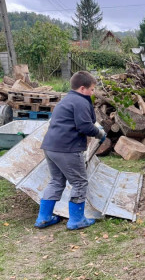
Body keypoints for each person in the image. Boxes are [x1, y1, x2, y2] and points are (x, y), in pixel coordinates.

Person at [35, 71, 105, 230]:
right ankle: (76, 220)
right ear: (82, 88)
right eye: (92, 89)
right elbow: (85, 126)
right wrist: (99, 133)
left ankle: (44, 218)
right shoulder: (80, 102)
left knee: (56, 181)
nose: (93, 93)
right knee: (80, 182)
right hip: (67, 148)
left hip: (50, 146)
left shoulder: (66, 100)